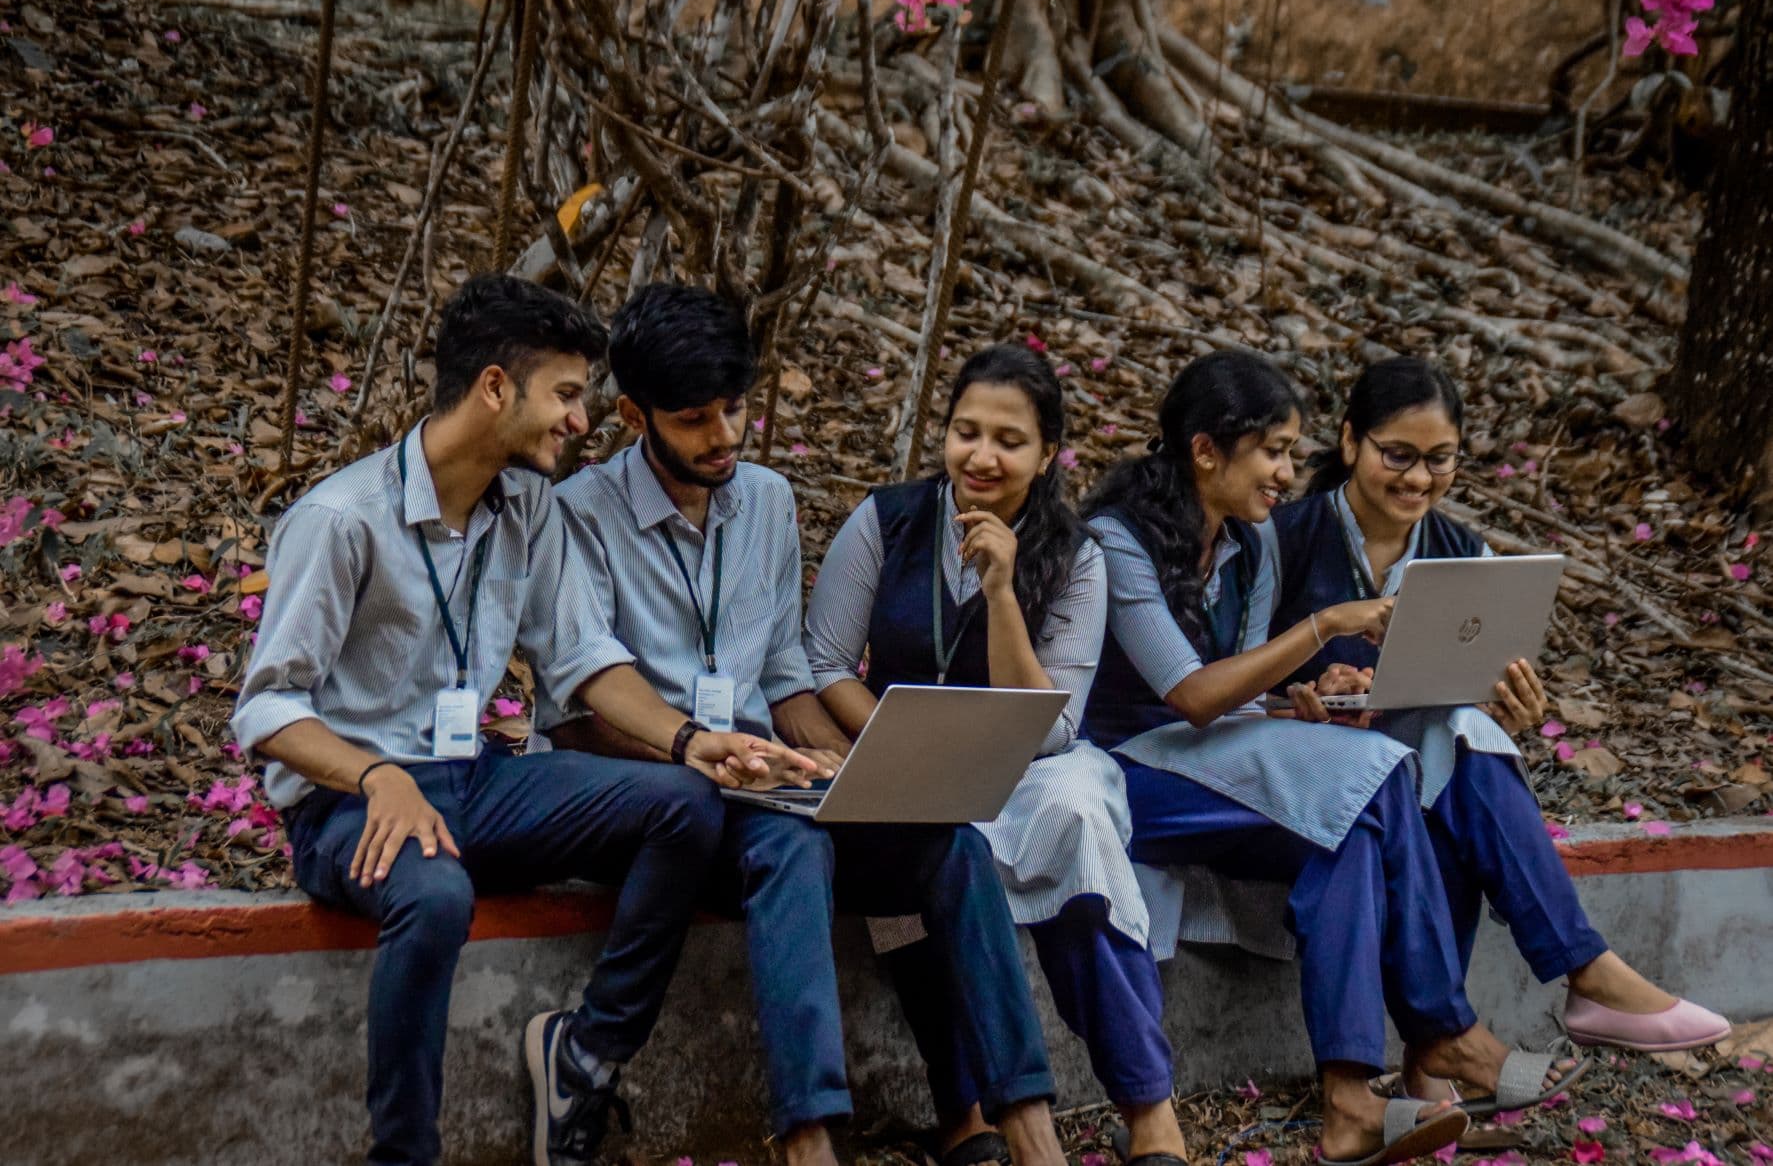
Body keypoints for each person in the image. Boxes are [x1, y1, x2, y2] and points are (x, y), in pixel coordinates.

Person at [231, 274, 810, 1166]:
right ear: (497, 387)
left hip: (475, 784)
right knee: (434, 894)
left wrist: (694, 743)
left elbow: (582, 660)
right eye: (568, 396)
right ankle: (404, 1154)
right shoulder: (342, 519)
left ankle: (587, 1051)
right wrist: (377, 776)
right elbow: (267, 708)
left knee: (683, 804)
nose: (581, 422)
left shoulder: (528, 505)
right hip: (351, 803)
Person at [540, 286, 1067, 1166]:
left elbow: (784, 674)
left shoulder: (768, 501)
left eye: (735, 409)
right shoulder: (577, 516)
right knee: (794, 848)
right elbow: (577, 712)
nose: (723, 437)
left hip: (763, 789)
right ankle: (808, 1135)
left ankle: (1028, 1127)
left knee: (948, 843)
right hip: (659, 795)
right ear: (632, 414)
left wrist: (838, 761)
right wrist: (705, 752)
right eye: (694, 418)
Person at [1081, 350, 1588, 1166]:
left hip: (1211, 761)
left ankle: (1348, 1101)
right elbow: (1188, 695)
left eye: (1291, 450)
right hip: (1126, 768)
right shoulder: (1115, 541)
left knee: (1349, 832)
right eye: (1273, 451)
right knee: (1379, 777)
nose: (1288, 472)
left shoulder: (1249, 546)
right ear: (1206, 450)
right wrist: (1320, 631)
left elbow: (1243, 701)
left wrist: (1315, 698)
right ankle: (1444, 1028)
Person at [1263, 357, 1729, 1098]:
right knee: (1446, 770)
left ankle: (1445, 1048)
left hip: (1407, 766)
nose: (1417, 479)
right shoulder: (1281, 539)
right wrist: (1293, 690)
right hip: (1299, 766)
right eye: (1398, 456)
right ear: (1350, 443)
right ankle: (1574, 975)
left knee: (1462, 743)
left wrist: (1504, 707)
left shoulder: (1460, 555)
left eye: (1439, 459)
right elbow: (1230, 673)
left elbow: (1462, 687)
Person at [804, 343, 1192, 1166]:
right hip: (895, 753)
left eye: (1007, 440)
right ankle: (963, 1109)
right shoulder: (886, 520)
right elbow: (826, 664)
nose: (980, 456)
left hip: (1027, 764)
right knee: (917, 845)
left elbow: (1050, 723)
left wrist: (1002, 591)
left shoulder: (1077, 555)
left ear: (1047, 453)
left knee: (1077, 818)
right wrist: (895, 742)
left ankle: (1146, 1106)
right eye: (963, 432)